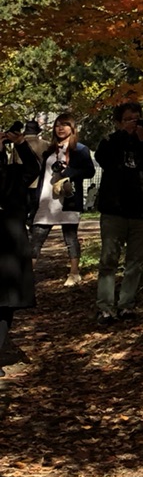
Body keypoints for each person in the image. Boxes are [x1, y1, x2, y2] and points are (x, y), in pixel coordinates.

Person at [94, 103, 143, 322]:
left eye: (137, 118)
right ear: (119, 122)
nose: (134, 123)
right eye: (129, 119)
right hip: (114, 211)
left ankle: (126, 304)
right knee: (108, 260)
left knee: (135, 261)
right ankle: (105, 307)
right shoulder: (110, 142)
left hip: (140, 211)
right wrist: (123, 135)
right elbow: (102, 159)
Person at [31, 114, 93, 287]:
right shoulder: (50, 150)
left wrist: (69, 171)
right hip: (46, 199)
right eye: (58, 125)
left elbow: (89, 171)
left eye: (65, 125)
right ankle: (28, 274)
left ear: (72, 129)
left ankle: (74, 273)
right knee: (36, 236)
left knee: (70, 237)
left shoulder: (80, 149)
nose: (60, 128)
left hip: (68, 199)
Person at [0, 121, 39, 358]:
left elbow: (33, 169)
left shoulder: (14, 173)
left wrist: (21, 144)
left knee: (7, 301)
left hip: (11, 238)